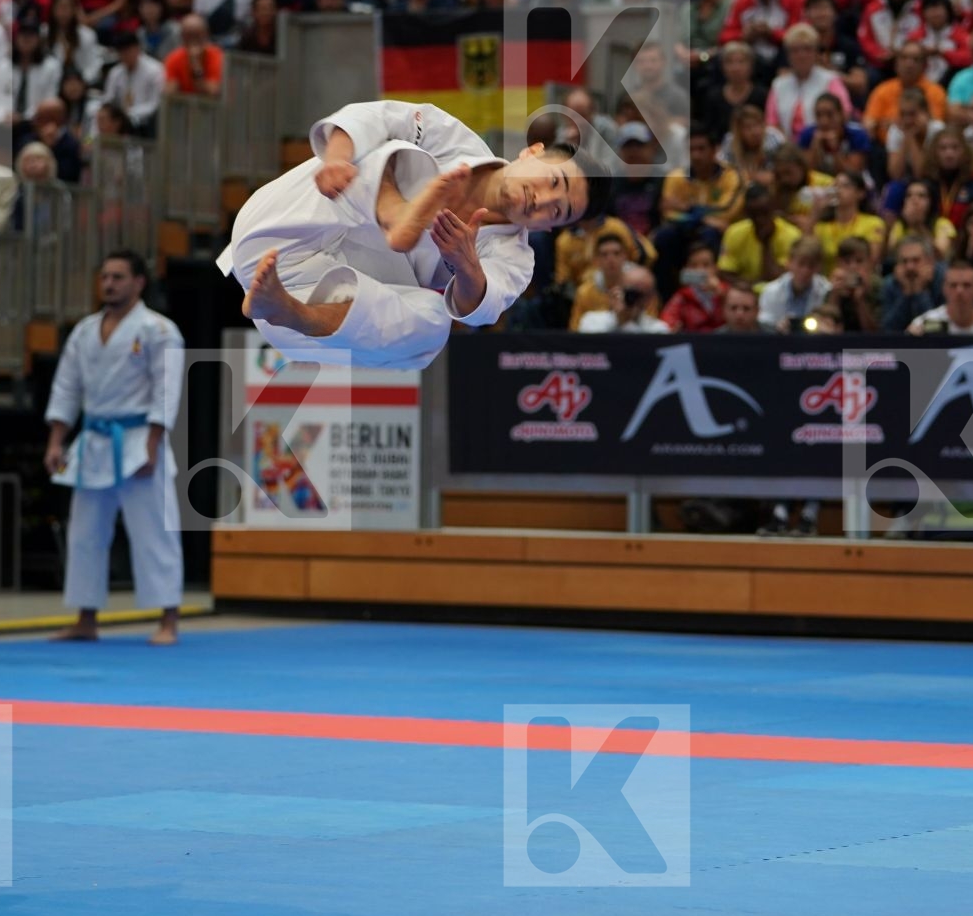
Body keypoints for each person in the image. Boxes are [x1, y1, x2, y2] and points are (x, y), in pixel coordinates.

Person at [221, 101, 608, 371]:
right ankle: (396, 215)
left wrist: (466, 263)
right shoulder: (454, 138)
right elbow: (369, 115)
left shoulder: (516, 258)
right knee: (401, 148)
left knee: (434, 327)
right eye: (554, 180)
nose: (543, 200)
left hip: (304, 317)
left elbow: (481, 308)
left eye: (558, 212)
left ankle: (288, 308)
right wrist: (337, 160)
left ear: (549, 229)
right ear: (532, 151)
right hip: (285, 226)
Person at [44, 252, 186, 647]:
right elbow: (67, 388)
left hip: (139, 438)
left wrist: (154, 443)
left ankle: (168, 619)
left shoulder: (159, 330)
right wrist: (56, 440)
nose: (109, 284)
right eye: (104, 276)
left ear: (139, 282)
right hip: (93, 440)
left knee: (154, 531)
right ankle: (86, 618)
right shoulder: (84, 332)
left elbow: (166, 389)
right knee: (85, 533)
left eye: (118, 277)